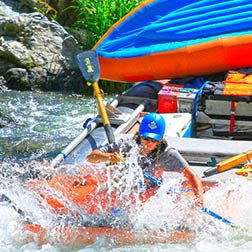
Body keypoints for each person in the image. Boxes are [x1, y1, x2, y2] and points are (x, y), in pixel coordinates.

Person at [87, 113, 204, 206]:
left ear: (161, 139)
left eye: (154, 140)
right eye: (146, 138)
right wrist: (109, 157)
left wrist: (199, 199)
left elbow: (192, 176)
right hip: (125, 187)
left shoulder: (168, 154)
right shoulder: (127, 145)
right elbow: (91, 157)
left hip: (150, 190)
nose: (149, 143)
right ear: (139, 134)